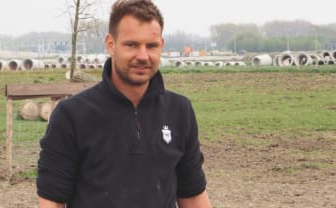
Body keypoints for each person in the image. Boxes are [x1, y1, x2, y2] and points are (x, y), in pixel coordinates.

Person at [36, 0, 211, 207]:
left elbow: (192, 195)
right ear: (111, 44)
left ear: (161, 46)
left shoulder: (180, 111)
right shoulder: (71, 116)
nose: (143, 56)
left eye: (151, 46)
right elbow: (52, 201)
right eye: (132, 44)